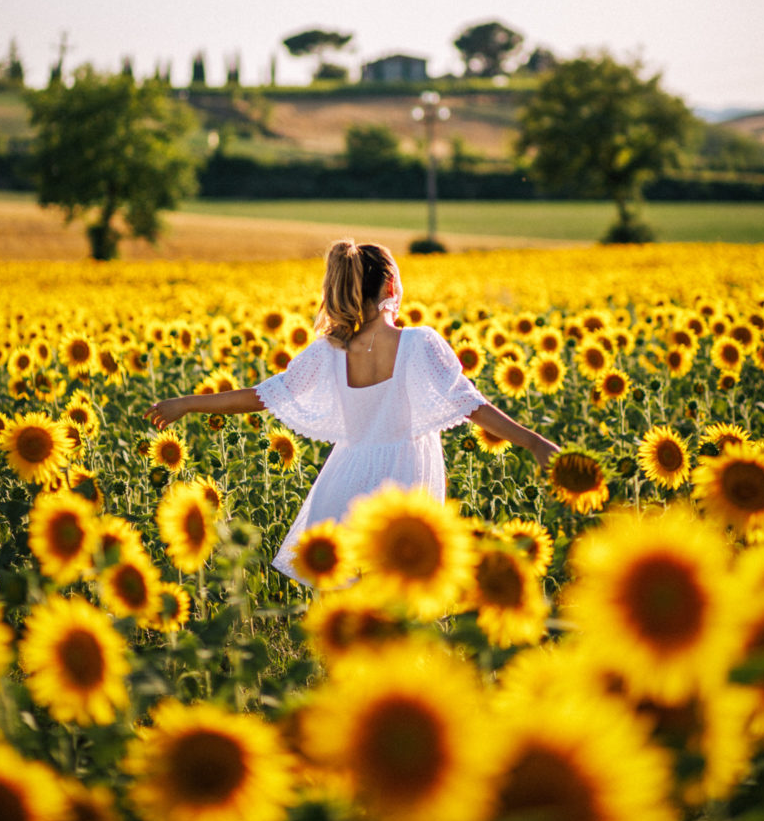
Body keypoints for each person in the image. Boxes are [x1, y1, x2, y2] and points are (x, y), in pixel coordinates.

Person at [144, 239, 559, 584]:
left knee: (349, 625)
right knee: (402, 603)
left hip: (344, 484)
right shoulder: (420, 343)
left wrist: (186, 404)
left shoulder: (331, 350)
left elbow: (259, 396)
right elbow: (473, 406)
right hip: (406, 485)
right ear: (391, 284)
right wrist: (534, 441)